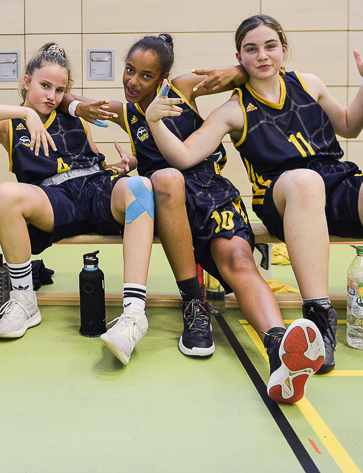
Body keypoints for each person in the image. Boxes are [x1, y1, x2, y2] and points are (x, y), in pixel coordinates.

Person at [146, 14, 363, 379]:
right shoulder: (233, 110)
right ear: (239, 58)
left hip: (335, 182)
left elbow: (349, 125)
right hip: (283, 195)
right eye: (251, 49)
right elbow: (183, 157)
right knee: (306, 182)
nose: (262, 55)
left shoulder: (309, 83)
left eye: (270, 46)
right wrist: (154, 121)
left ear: (284, 50)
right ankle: (319, 320)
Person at [67, 34, 324, 401]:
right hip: (169, 198)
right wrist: (76, 106)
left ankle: (278, 348)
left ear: (163, 78)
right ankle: (194, 303)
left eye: (145, 75)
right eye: (129, 71)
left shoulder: (182, 89)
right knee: (167, 178)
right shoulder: (127, 112)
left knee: (239, 261)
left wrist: (237, 69)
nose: (133, 82)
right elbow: (68, 100)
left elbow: (241, 74)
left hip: (212, 191)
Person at [0, 43, 156, 365]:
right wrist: (25, 112)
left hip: (93, 186)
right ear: (26, 82)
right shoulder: (11, 123)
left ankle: (134, 316)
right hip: (53, 198)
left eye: (60, 89)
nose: (52, 95)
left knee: (141, 186)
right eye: (44, 85)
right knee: (7, 194)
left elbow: (95, 162)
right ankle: (24, 302)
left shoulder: (76, 117)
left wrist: (121, 167)